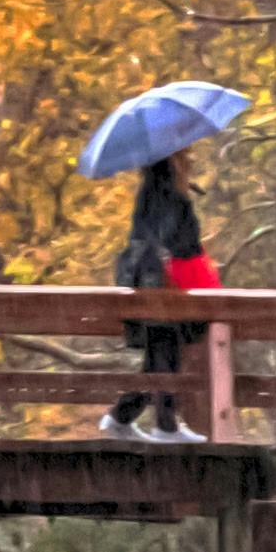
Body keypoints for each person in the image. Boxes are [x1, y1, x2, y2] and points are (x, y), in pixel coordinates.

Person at [111, 149, 213, 439]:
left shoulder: (150, 190)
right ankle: (163, 426)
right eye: (186, 155)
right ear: (173, 160)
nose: (191, 160)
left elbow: (147, 236)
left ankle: (123, 418)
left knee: (160, 353)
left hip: (144, 280)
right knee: (166, 349)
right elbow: (181, 244)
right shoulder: (171, 196)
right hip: (162, 284)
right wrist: (187, 213)